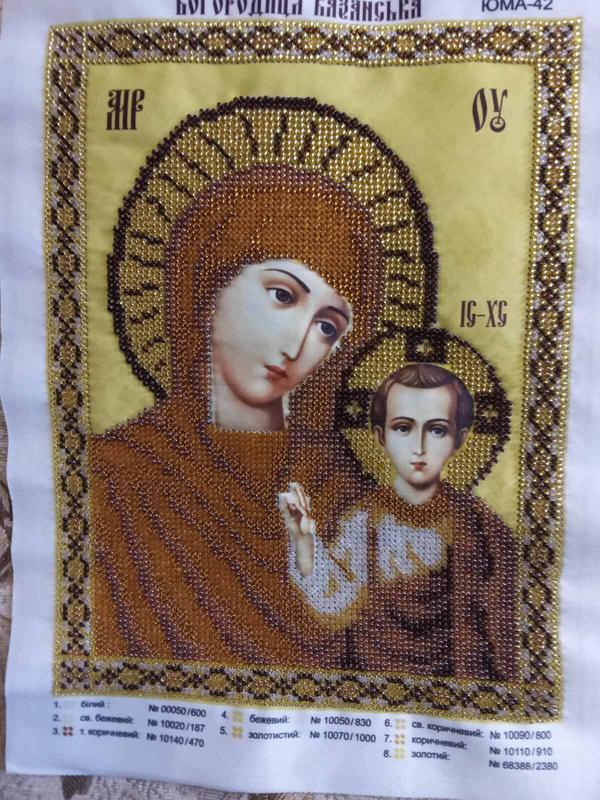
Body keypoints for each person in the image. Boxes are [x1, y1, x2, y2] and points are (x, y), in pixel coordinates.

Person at [90, 164, 389, 665]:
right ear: (210, 283)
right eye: (282, 296)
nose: (297, 344)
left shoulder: (345, 486)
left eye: (327, 327)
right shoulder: (116, 477)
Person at [282, 363, 518, 679]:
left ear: (459, 438)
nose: (419, 447)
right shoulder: (365, 522)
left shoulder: (480, 526)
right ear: (381, 436)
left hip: (456, 682)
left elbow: (502, 620)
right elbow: (334, 602)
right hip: (372, 680)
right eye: (403, 428)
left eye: (437, 430)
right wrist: (303, 541)